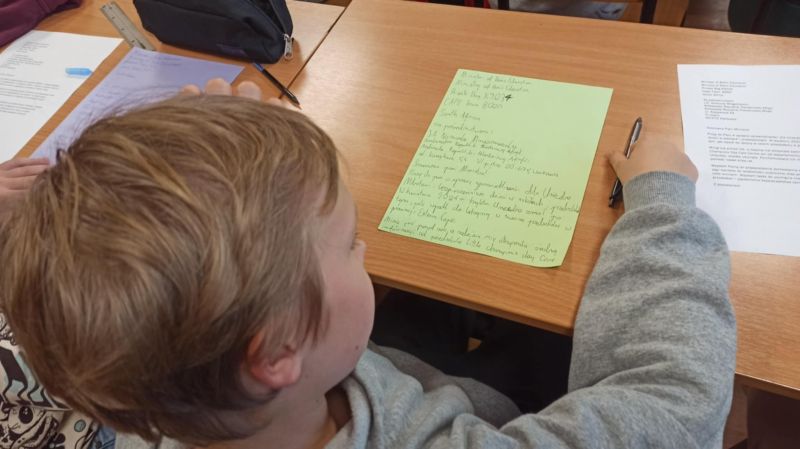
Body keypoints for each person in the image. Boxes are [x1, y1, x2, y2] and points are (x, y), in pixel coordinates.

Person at [0, 78, 736, 449]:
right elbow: (674, 398)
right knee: (551, 337)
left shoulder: (137, 378)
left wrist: (256, 167)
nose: (367, 249)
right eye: (351, 240)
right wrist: (663, 202)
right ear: (277, 351)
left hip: (387, 376)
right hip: (475, 406)